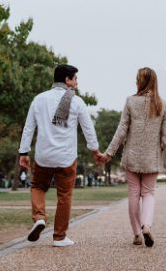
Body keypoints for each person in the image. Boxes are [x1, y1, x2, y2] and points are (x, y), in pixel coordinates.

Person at [18, 64, 103, 247]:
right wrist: (95, 150)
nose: (77, 82)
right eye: (75, 78)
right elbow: (88, 129)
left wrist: (24, 152)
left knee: (38, 187)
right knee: (64, 195)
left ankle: (39, 217)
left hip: (44, 156)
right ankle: (59, 237)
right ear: (67, 80)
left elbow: (28, 127)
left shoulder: (39, 99)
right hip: (66, 157)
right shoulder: (77, 101)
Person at [99, 67, 166, 247]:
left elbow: (122, 129)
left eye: (137, 79)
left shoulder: (131, 102)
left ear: (140, 82)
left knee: (133, 194)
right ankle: (146, 225)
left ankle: (137, 234)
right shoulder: (163, 105)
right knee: (148, 194)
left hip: (132, 157)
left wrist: (109, 152)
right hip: (151, 158)